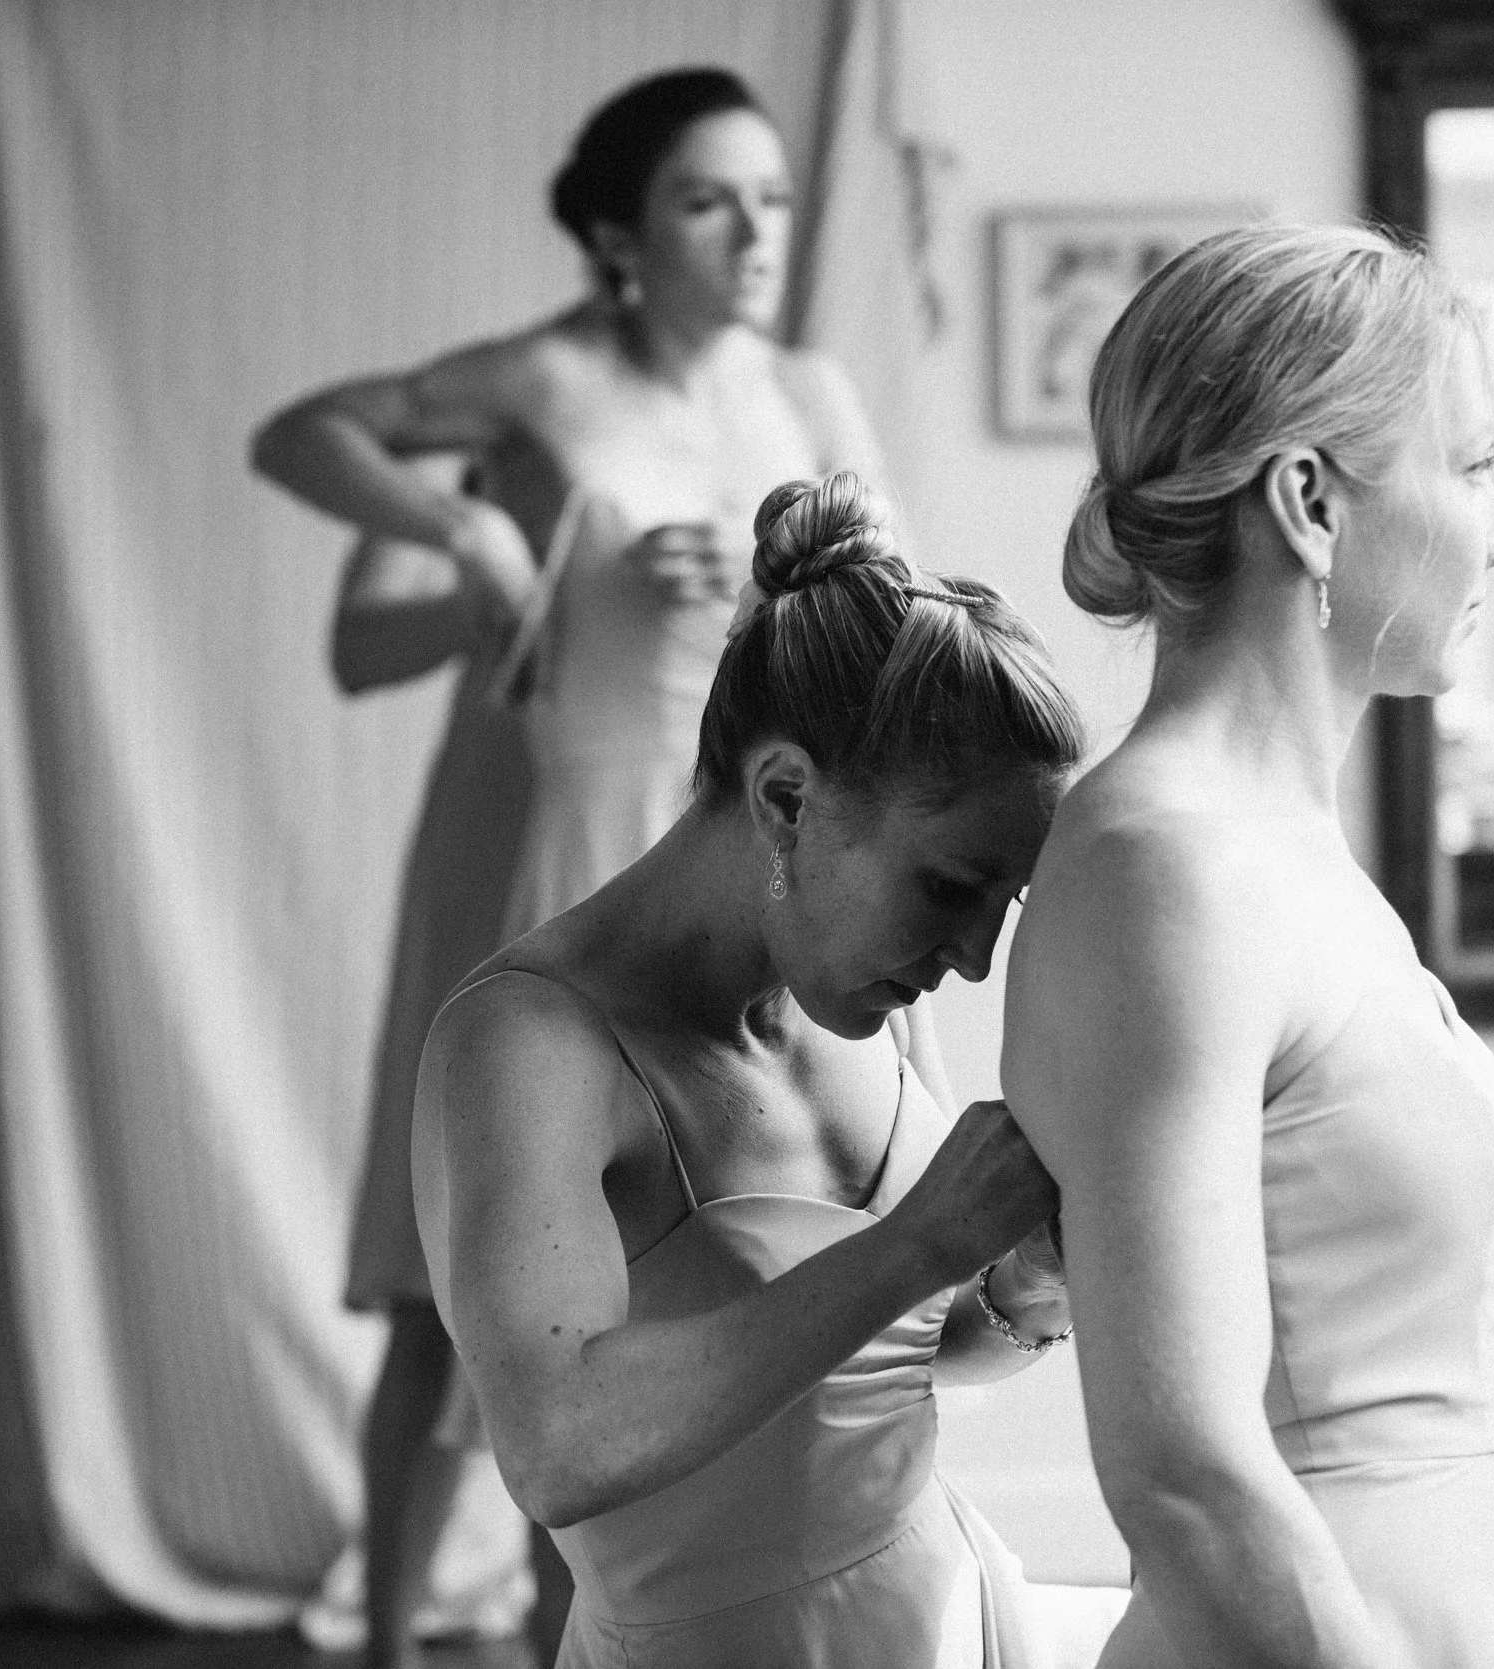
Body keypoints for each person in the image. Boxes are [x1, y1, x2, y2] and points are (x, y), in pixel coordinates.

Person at [249, 66, 886, 1665]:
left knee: (705, 1258)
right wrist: (477, 544)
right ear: (621, 234)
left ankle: (625, 1634)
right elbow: (304, 449)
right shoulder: (535, 384)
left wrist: (770, 589)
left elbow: (890, 614)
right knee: (471, 1268)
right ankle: (392, 1640)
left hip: (745, 856)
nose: (753, 233)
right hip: (549, 842)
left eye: (772, 198)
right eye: (706, 201)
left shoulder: (808, 394)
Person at [416, 473, 1126, 1668]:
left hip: (949, 1613)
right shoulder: (531, 1043)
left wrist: (1032, 1279)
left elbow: (887, 1356)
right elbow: (556, 1446)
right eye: (950, 887)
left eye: (1003, 903)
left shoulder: (861, 999)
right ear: (786, 797)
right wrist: (922, 1241)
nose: (972, 957)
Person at [1003, 223, 1494, 1667]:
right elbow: (1183, 1471)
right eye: (1471, 465)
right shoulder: (1168, 870)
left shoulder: (1279, 842)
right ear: (1310, 503)